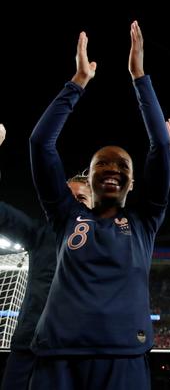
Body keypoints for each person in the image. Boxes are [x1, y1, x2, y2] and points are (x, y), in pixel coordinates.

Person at [28, 21, 170, 389]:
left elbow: (160, 146)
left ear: (133, 182)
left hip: (123, 358)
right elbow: (40, 144)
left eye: (122, 165)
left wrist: (140, 76)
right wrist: (77, 82)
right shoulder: (66, 215)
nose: (111, 169)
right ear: (88, 180)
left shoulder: (145, 220)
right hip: (59, 359)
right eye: (101, 164)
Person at [0, 125, 93, 390]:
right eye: (68, 196)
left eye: (82, 198)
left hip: (79, 353)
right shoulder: (39, 233)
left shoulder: (108, 241)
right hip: (30, 348)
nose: (73, 202)